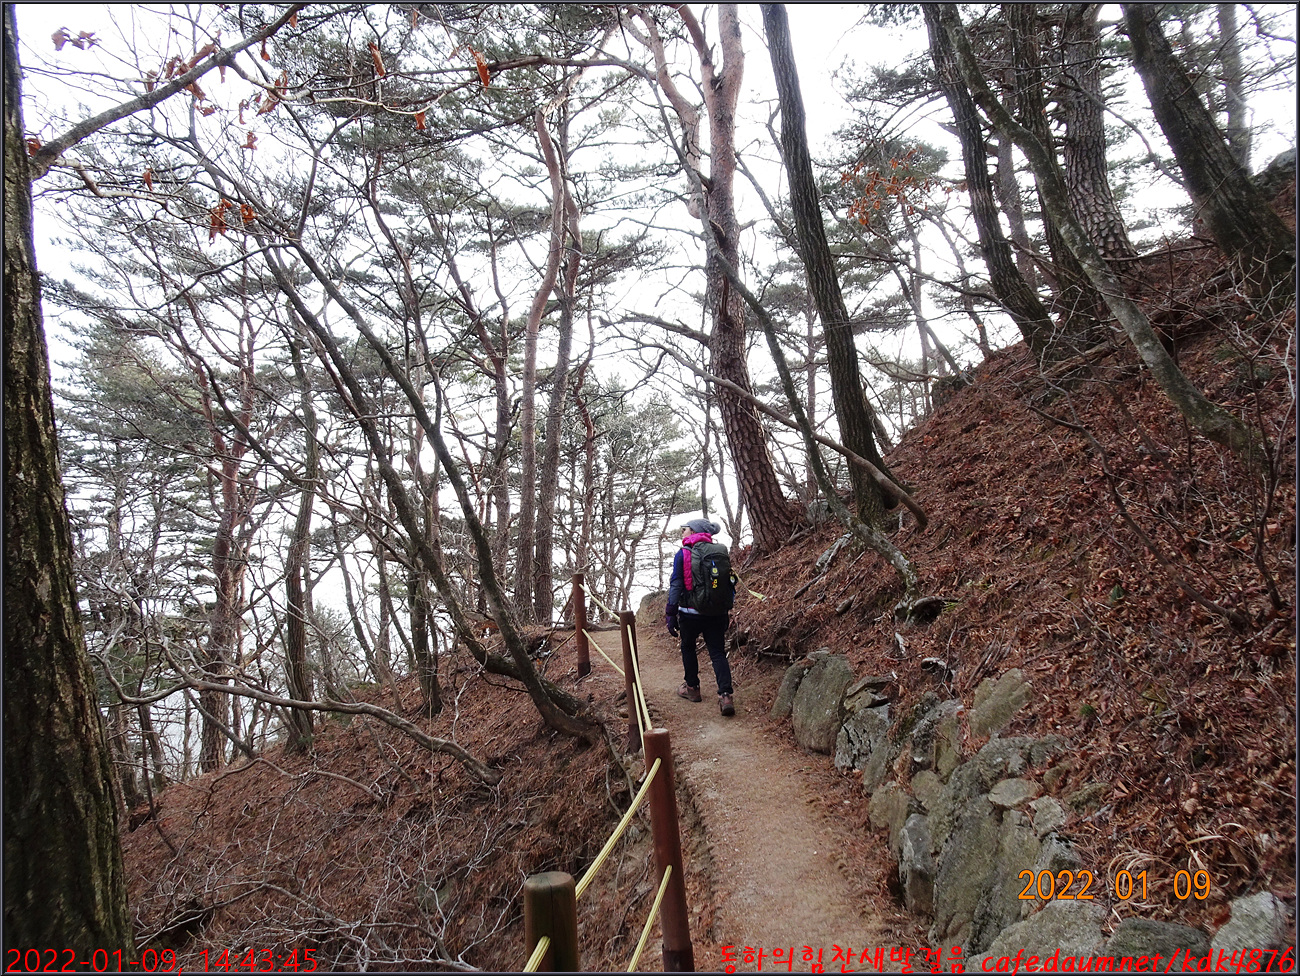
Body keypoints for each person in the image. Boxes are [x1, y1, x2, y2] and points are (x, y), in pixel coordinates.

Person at [665, 518, 735, 716]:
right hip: (716, 613)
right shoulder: (719, 552)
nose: (682, 532)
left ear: (694, 531)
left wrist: (670, 612)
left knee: (688, 647)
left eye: (685, 529)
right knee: (717, 652)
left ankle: (692, 688)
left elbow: (676, 584)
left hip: (690, 613)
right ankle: (726, 695)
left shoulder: (683, 553)